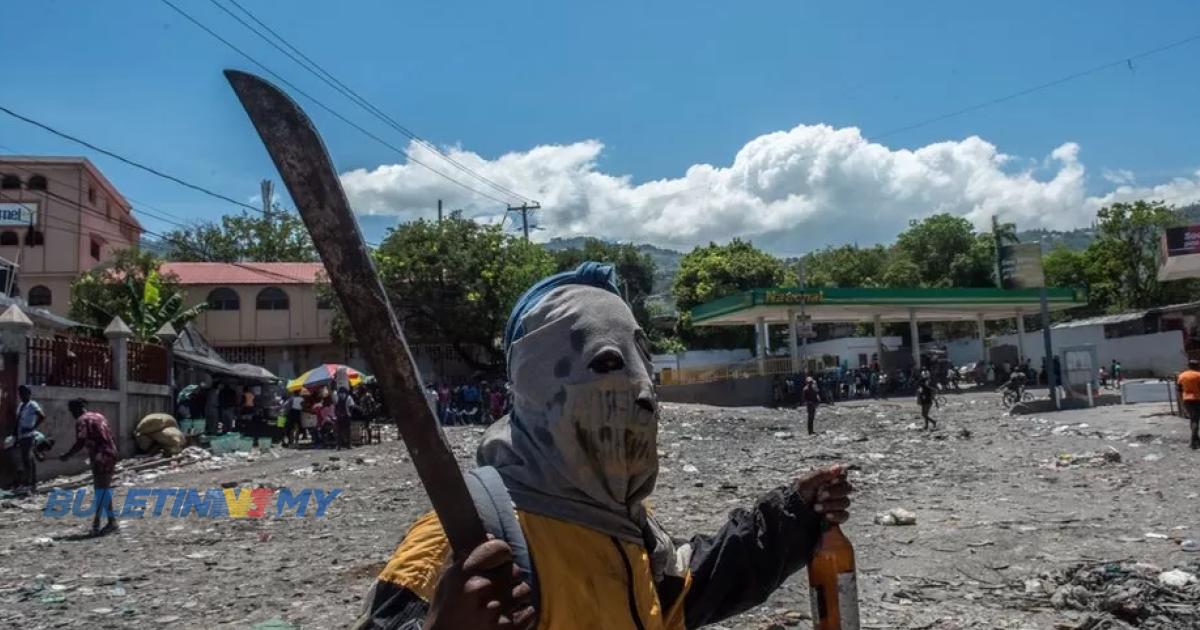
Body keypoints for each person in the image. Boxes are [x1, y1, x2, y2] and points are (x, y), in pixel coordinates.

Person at [352, 262, 854, 630]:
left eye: (643, 364)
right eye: (607, 363)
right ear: (540, 385)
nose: (640, 392)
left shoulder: (629, 526)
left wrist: (793, 514)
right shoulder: (462, 532)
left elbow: (688, 593)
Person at [59, 398, 119, 536]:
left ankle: (105, 523)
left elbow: (80, 442)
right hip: (111, 452)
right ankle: (103, 523)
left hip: (99, 455)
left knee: (101, 490)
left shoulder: (81, 421)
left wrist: (67, 455)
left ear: (76, 409)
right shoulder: (99, 416)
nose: (72, 414)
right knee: (103, 489)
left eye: (71, 411)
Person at [12, 385, 46, 493]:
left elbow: (42, 416)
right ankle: (31, 482)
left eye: (24, 393)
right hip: (21, 436)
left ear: (29, 393)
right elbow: (17, 421)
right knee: (27, 459)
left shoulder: (32, 404)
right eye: (20, 393)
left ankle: (28, 484)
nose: (22, 395)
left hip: (28, 436)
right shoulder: (21, 405)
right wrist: (15, 435)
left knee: (27, 459)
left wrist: (32, 427)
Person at [1177, 360, 1200, 450]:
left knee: (1193, 419)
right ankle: (1193, 441)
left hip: (1187, 400)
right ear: (1197, 366)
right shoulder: (1198, 375)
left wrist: (1182, 403)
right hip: (1197, 399)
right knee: (1195, 420)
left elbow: (1179, 390)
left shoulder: (1181, 376)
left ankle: (1196, 438)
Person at [334, 386, 358, 450]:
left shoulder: (337, 397)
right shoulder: (349, 397)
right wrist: (350, 414)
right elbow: (351, 407)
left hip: (339, 417)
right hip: (347, 416)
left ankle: (339, 446)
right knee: (348, 431)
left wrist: (337, 414)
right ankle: (348, 445)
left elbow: (336, 407)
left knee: (339, 431)